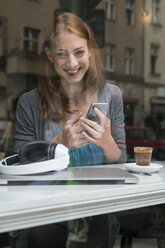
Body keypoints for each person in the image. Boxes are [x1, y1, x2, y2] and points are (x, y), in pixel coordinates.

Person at [11, 12, 127, 248]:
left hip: (96, 213)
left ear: (90, 51)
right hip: (44, 214)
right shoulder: (30, 103)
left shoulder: (112, 95)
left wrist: (107, 142)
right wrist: (57, 143)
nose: (72, 64)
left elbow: (122, 161)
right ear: (49, 56)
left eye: (79, 52)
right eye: (62, 54)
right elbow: (18, 168)